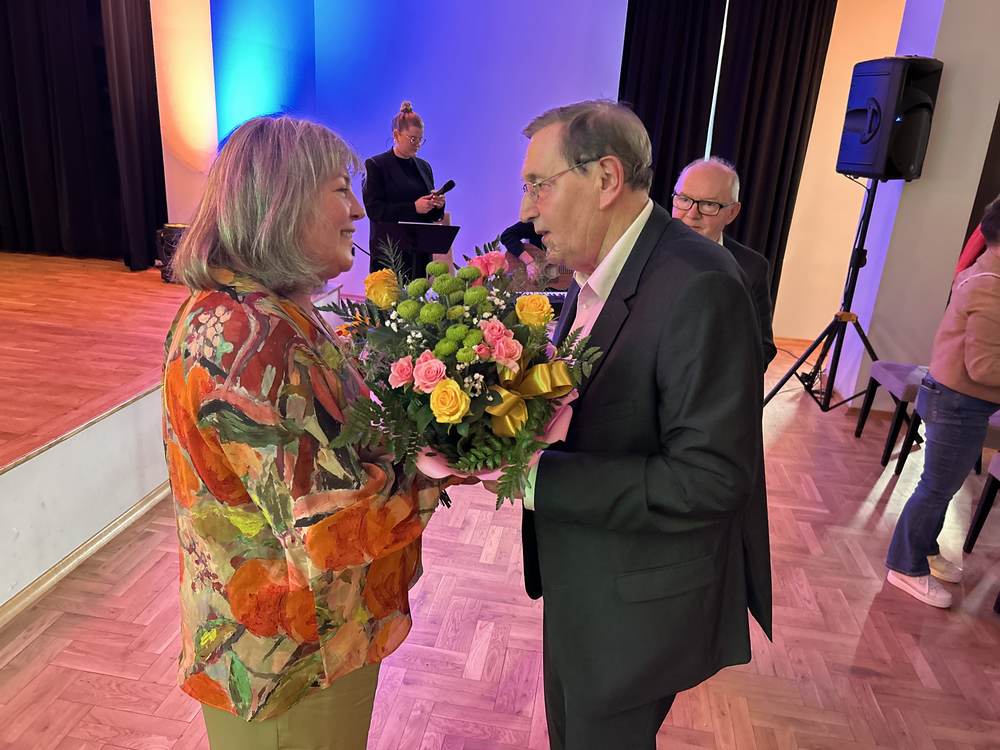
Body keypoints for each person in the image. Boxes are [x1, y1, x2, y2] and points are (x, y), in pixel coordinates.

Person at [164, 115, 443, 749]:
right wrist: (441, 464)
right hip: (293, 659)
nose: (357, 210)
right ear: (283, 203)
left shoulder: (248, 307)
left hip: (278, 644)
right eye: (340, 190)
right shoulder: (258, 336)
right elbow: (332, 526)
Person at [515, 100, 771, 749]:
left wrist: (537, 481)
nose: (527, 209)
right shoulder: (595, 272)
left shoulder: (699, 284)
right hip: (583, 571)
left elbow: (712, 479)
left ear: (605, 179)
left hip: (635, 605)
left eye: (539, 185)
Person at [885, 196, 1000, 608]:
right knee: (936, 488)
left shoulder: (984, 269)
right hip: (958, 402)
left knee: (943, 486)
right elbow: (984, 367)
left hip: (956, 398)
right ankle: (905, 566)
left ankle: (926, 550)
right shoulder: (990, 286)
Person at [671, 157, 777, 368]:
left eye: (709, 204)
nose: (692, 214)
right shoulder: (644, 249)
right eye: (684, 199)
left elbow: (762, 349)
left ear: (732, 212)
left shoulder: (752, 268)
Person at [362, 101, 445, 277]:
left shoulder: (424, 167)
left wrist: (437, 205)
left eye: (421, 139)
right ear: (396, 135)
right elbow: (375, 210)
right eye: (413, 139)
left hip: (420, 255)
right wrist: (413, 207)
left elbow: (430, 217)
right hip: (390, 256)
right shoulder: (375, 165)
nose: (418, 144)